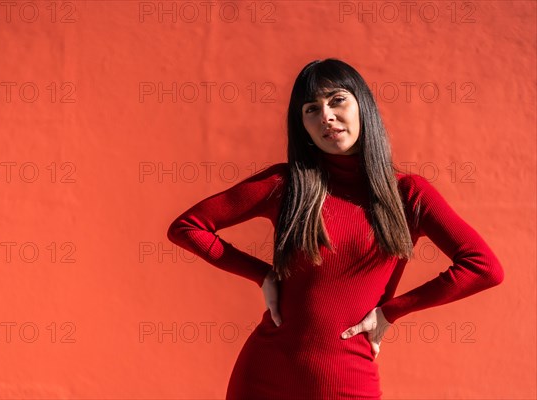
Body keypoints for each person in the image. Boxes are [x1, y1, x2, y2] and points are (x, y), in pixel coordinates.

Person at [166, 58, 504, 400]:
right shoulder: (287, 184)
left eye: (337, 100)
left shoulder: (408, 194)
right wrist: (262, 275)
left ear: (363, 106)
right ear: (304, 126)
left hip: (347, 377)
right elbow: (187, 227)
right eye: (312, 109)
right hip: (265, 375)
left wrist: (392, 311)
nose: (325, 115)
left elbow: (484, 267)